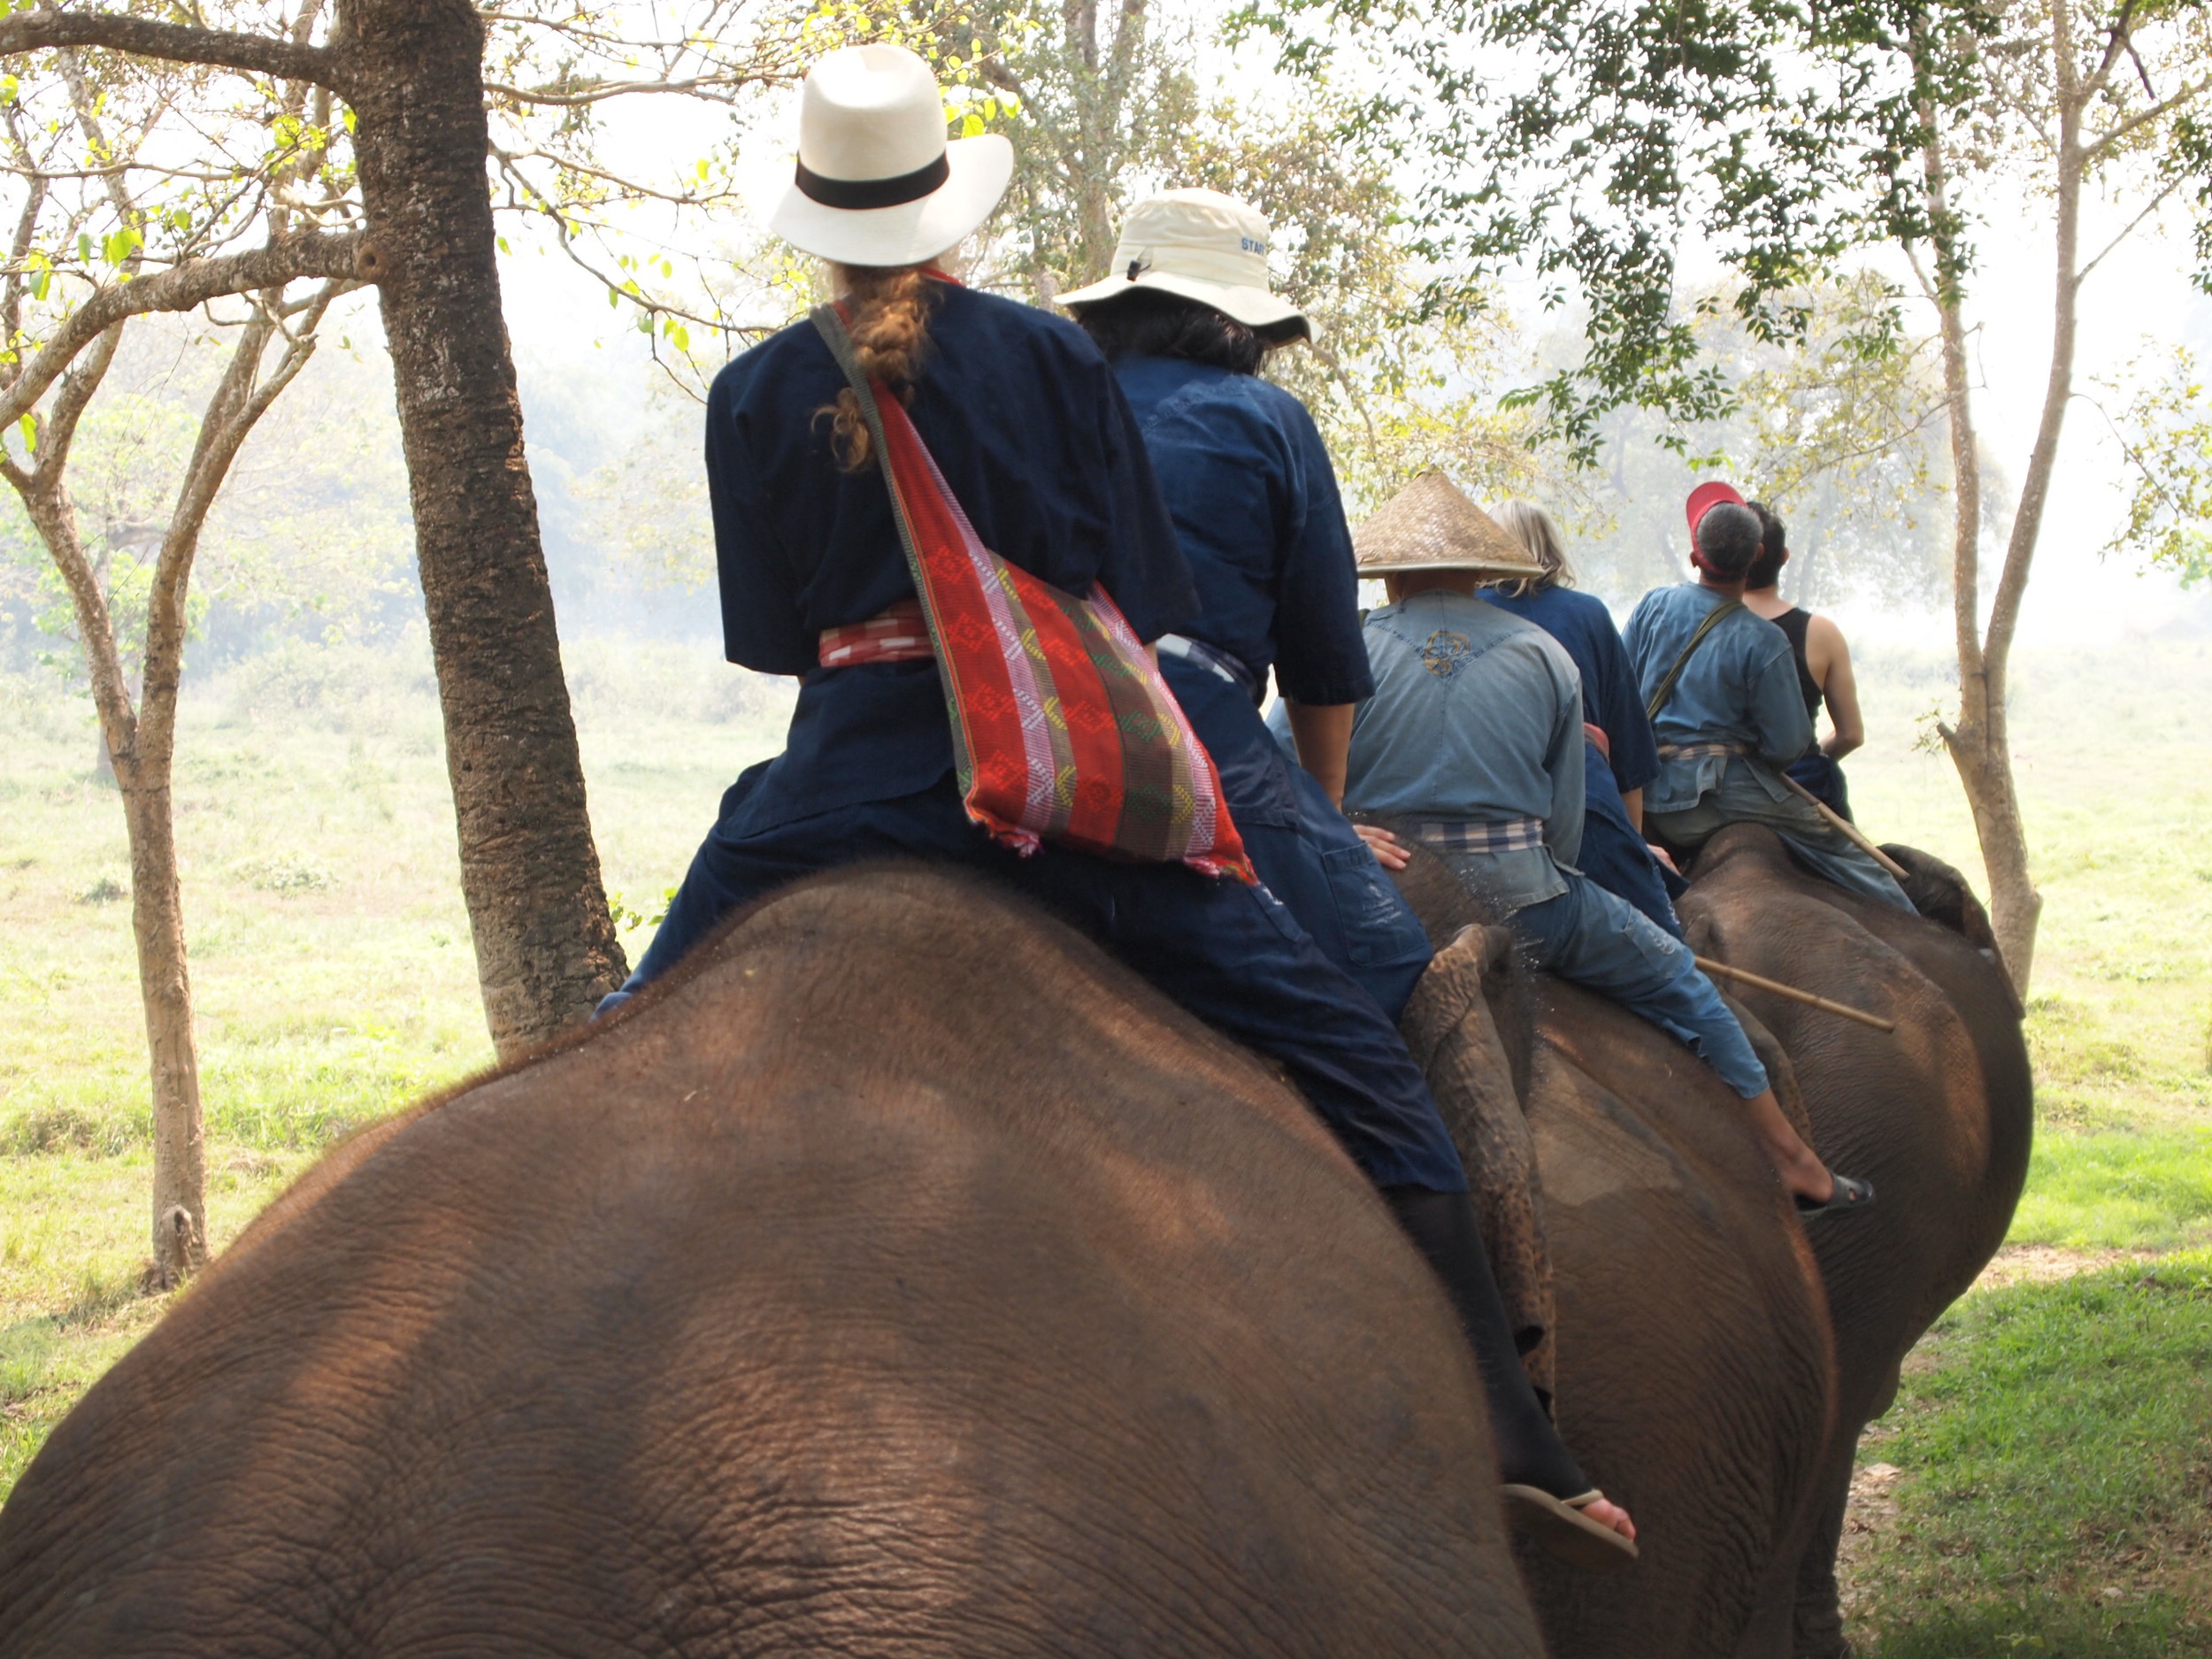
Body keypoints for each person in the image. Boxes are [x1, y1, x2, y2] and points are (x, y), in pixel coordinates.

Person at [599, 47, 1635, 1565]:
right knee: (1366, 1065)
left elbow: (776, 645)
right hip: (1061, 791)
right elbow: (1137, 594)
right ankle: (1518, 1435)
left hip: (828, 795)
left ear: (815, 225)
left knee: (625, 1022)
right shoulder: (1046, 362)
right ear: (947, 217)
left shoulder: (754, 394)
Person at [1336, 472, 1873, 1221]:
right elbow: (1564, 823)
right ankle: (1794, 1164)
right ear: (1484, 569)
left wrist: (1345, 834)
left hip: (1381, 898)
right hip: (1522, 897)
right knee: (1680, 979)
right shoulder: (1544, 652)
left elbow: (1286, 775)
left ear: (1390, 574)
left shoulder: (1347, 647)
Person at [1059, 188, 1432, 1020]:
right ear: (1241, 324)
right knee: (1393, 968)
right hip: (1192, 728)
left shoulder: (1052, 402)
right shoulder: (1270, 420)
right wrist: (1321, 819)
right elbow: (1322, 660)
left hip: (1027, 712)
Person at [1623, 483, 1911, 910]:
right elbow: (1787, 748)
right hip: (1716, 800)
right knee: (1852, 857)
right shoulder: (1765, 641)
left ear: (1694, 557)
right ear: (1757, 557)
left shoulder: (1652, 606)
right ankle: (1908, 918)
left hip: (1645, 794)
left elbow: (1619, 694)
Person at [1481, 499, 1685, 938]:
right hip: (1584, 800)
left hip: (1483, 802)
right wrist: (1634, 846)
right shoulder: (1589, 613)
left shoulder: (1461, 612)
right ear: (1551, 549)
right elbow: (1628, 751)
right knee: (1666, 947)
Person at [1742, 503, 1863, 820]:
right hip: (1800, 783)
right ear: (1784, 558)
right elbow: (1851, 735)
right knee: (1867, 870)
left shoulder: (1700, 626)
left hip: (1716, 784)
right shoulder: (1821, 632)